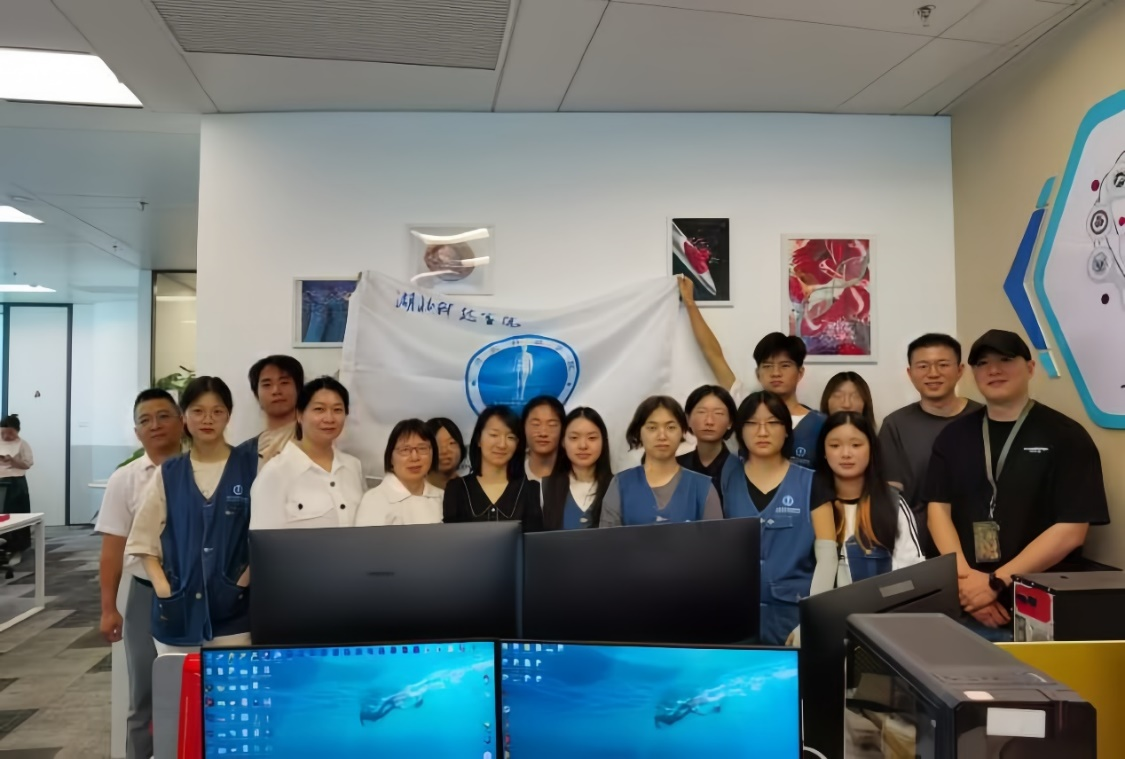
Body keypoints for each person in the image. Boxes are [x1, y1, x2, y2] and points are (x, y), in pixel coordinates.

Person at [925, 330, 1110, 640]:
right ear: (972, 373)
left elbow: (1072, 529)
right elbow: (937, 512)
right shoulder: (953, 437)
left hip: (1039, 609)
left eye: (1006, 360)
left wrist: (995, 582)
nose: (994, 370)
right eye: (983, 363)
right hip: (965, 603)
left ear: (1031, 368)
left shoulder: (1066, 436)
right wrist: (967, 583)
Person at [126, 376, 257, 653]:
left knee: (233, 680)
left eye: (217, 411)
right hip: (178, 611)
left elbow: (263, 536)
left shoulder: (251, 467)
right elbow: (143, 540)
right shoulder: (169, 473)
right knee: (177, 681)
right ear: (184, 416)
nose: (208, 419)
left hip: (235, 614)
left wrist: (241, 582)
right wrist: (164, 589)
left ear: (228, 416)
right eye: (198, 411)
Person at [95, 389, 183, 759]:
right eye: (145, 420)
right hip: (146, 594)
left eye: (163, 416)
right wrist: (108, 608)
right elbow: (112, 549)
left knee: (198, 687)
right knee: (144, 692)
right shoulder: (126, 479)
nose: (155, 425)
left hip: (198, 592)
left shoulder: (204, 469)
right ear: (137, 432)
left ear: (181, 422)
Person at [720, 391, 836, 645]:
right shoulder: (726, 482)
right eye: (752, 423)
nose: (762, 432)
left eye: (772, 423)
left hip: (792, 618)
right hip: (737, 618)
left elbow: (828, 559)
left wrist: (810, 621)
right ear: (740, 431)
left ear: (786, 430)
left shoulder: (811, 483)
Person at [678, 279, 825, 468]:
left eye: (785, 365)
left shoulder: (820, 424)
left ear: (800, 373)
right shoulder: (745, 406)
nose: (776, 373)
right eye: (768, 366)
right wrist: (690, 303)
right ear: (758, 374)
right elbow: (713, 355)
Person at [879, 333, 982, 556]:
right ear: (910, 373)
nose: (933, 373)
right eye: (923, 366)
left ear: (960, 370)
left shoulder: (984, 418)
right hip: (918, 550)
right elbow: (891, 496)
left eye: (943, 364)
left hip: (981, 546)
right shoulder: (895, 425)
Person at [816, 411, 923, 588]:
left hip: (879, 604)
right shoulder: (810, 503)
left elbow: (911, 573)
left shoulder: (892, 503)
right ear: (824, 452)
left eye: (856, 445)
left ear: (871, 449)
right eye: (835, 445)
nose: (846, 454)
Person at [249, 377, 365, 531]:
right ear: (299, 415)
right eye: (319, 409)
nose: (329, 418)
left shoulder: (353, 466)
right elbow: (264, 541)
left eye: (337, 410)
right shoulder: (275, 473)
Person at [599, 396, 722, 527]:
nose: (662, 436)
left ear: (683, 431)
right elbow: (607, 539)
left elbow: (716, 538)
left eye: (671, 427)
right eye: (652, 428)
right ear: (639, 432)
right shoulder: (620, 485)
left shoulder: (703, 488)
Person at [442, 406, 543, 531]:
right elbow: (451, 539)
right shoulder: (457, 489)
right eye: (494, 435)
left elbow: (534, 540)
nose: (502, 444)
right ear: (479, 439)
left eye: (510, 437)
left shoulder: (530, 490)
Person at [356, 419, 444, 526]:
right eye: (405, 450)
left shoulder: (442, 497)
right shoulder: (374, 500)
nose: (415, 457)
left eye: (422, 448)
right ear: (391, 457)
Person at [541, 408, 614, 530]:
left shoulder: (618, 487)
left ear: (603, 441)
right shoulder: (544, 488)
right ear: (563, 442)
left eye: (592, 438)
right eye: (574, 438)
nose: (583, 445)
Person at [237, 355, 305, 471]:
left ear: (298, 389)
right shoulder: (243, 454)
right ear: (256, 394)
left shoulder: (316, 441)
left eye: (284, 382)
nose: (276, 391)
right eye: (267, 385)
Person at [677, 385, 741, 507]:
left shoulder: (741, 470)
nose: (709, 421)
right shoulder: (675, 467)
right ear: (688, 419)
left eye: (718, 413)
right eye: (701, 412)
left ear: (730, 422)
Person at [0, 414, 33, 563]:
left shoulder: (23, 444)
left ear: (17, 431)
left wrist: (13, 460)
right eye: (4, 433)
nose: (7, 436)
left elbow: (27, 464)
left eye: (11, 433)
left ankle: (16, 549)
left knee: (16, 515)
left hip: (16, 483)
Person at [522, 396, 564, 482]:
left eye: (552, 425)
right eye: (536, 424)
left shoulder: (574, 477)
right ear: (524, 427)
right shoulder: (511, 475)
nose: (543, 433)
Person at [426, 417, 467, 490]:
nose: (444, 451)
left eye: (451, 443)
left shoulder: (470, 489)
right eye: (435, 444)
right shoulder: (412, 491)